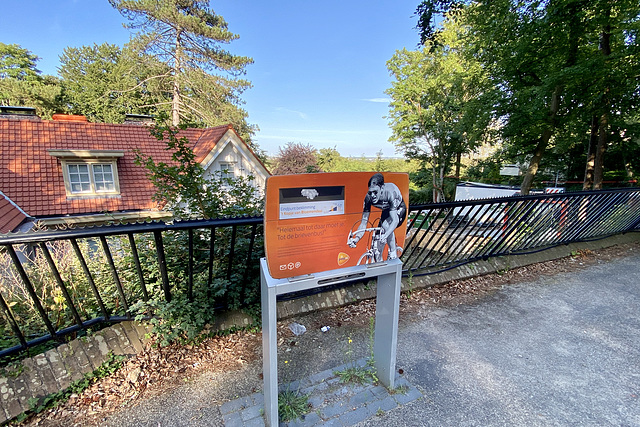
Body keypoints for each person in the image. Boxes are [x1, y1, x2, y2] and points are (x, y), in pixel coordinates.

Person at [348, 173, 407, 261]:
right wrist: (356, 238)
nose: (372, 195)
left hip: (398, 210)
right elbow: (363, 223)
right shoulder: (368, 198)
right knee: (377, 242)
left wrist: (386, 235)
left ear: (382, 188)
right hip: (386, 211)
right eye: (370, 192)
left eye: (375, 192)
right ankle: (379, 264)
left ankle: (393, 253)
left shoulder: (391, 192)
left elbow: (394, 221)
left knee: (386, 226)